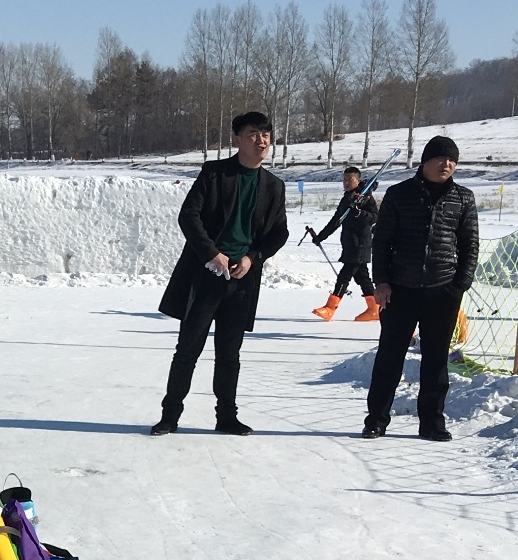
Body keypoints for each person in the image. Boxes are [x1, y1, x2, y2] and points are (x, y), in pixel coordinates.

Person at [150, 111, 290, 435]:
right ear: (237, 139)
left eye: (266, 134)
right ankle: (170, 415)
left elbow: (279, 233)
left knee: (230, 354)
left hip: (242, 281)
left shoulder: (273, 186)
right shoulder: (215, 175)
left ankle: (226, 416)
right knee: (188, 349)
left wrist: (253, 258)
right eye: (253, 133)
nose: (262, 140)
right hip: (206, 277)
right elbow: (189, 215)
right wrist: (212, 253)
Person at [363, 135, 479, 441]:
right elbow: (382, 241)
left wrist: (459, 286)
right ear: (425, 161)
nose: (447, 165)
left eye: (452, 160)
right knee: (390, 356)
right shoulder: (399, 194)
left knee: (436, 360)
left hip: (442, 291)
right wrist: (382, 282)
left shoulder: (463, 198)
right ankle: (376, 419)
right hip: (400, 289)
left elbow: (470, 246)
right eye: (441, 158)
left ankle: (432, 422)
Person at [310, 166, 380, 321]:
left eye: (350, 179)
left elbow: (374, 217)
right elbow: (336, 220)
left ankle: (330, 308)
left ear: (358, 180)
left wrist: (359, 213)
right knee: (362, 278)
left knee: (344, 276)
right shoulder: (347, 198)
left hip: (360, 244)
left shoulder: (366, 197)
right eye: (344, 180)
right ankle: (374, 309)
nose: (346, 183)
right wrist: (321, 237)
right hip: (349, 244)